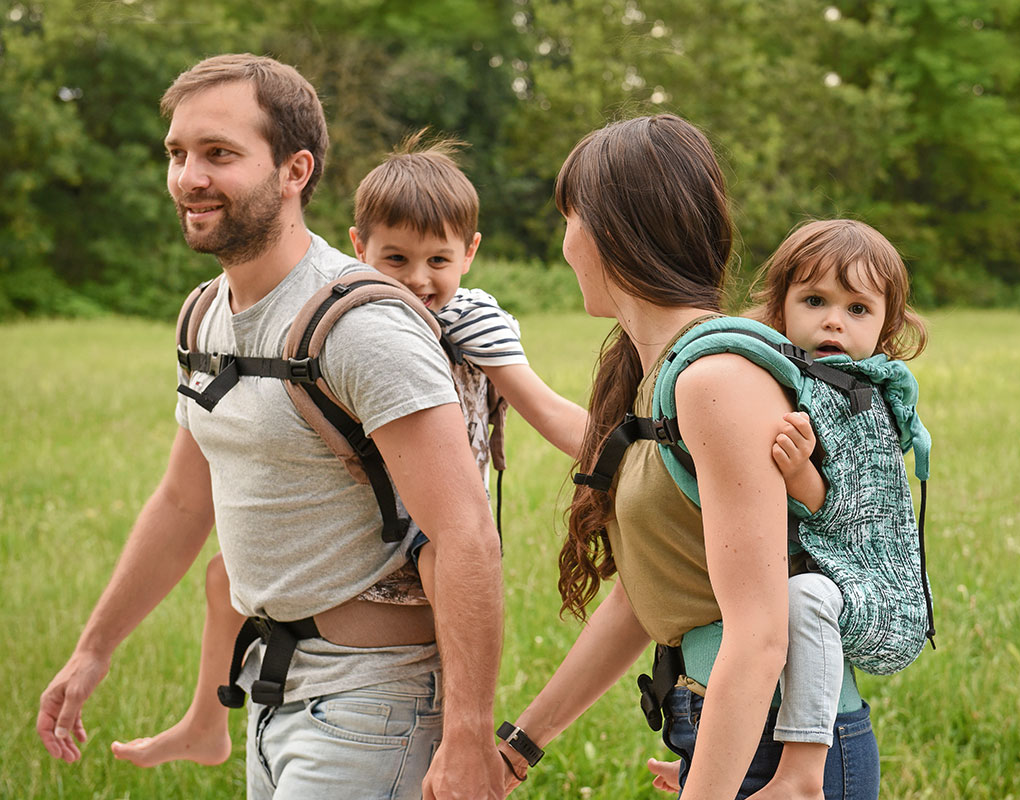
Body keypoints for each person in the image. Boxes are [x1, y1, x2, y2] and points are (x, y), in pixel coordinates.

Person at [36, 54, 506, 800]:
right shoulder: (205, 314)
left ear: (295, 170)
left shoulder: (362, 328)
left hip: (372, 705)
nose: (189, 177)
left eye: (219, 154)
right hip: (270, 688)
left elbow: (466, 534)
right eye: (178, 153)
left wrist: (470, 734)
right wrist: (94, 651)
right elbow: (183, 503)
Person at [108, 133, 588, 770]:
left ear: (470, 253)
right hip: (368, 491)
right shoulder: (351, 308)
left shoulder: (473, 319)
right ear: (360, 247)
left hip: (428, 504)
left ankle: (450, 722)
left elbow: (541, 408)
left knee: (440, 566)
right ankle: (204, 720)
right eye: (397, 259)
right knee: (228, 575)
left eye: (438, 261)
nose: (419, 280)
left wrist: (630, 450)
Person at [491, 115, 881, 800]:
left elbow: (759, 635)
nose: (564, 242)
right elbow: (653, 591)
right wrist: (520, 749)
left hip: (780, 748)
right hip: (732, 731)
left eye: (570, 217)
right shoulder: (661, 378)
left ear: (610, 230)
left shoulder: (715, 382)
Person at [645, 218, 929, 798]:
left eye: (858, 310)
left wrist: (800, 473)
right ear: (780, 306)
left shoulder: (861, 400)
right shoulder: (783, 376)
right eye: (815, 300)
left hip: (863, 587)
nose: (833, 320)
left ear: (886, 326)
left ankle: (802, 767)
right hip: (738, 690)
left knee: (805, 596)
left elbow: (852, 510)